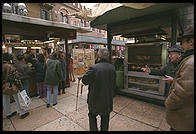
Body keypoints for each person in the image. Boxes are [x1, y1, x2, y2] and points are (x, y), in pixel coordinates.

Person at [163, 27, 194, 131]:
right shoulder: (184, 61)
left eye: (183, 42)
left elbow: (182, 92)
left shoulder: (190, 63)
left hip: (183, 119)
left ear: (191, 41)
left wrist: (168, 103)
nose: (182, 45)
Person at [82, 48, 116, 131]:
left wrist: (86, 73)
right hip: (107, 99)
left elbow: (85, 81)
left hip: (95, 99)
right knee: (105, 118)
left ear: (98, 56)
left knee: (92, 116)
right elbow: (113, 84)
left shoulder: (94, 68)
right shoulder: (112, 68)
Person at [2, 53, 29, 119]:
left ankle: (8, 113)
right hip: (12, 85)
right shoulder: (9, 66)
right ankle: (21, 112)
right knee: (17, 99)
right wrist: (20, 87)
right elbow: (15, 78)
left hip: (4, 86)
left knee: (5, 99)